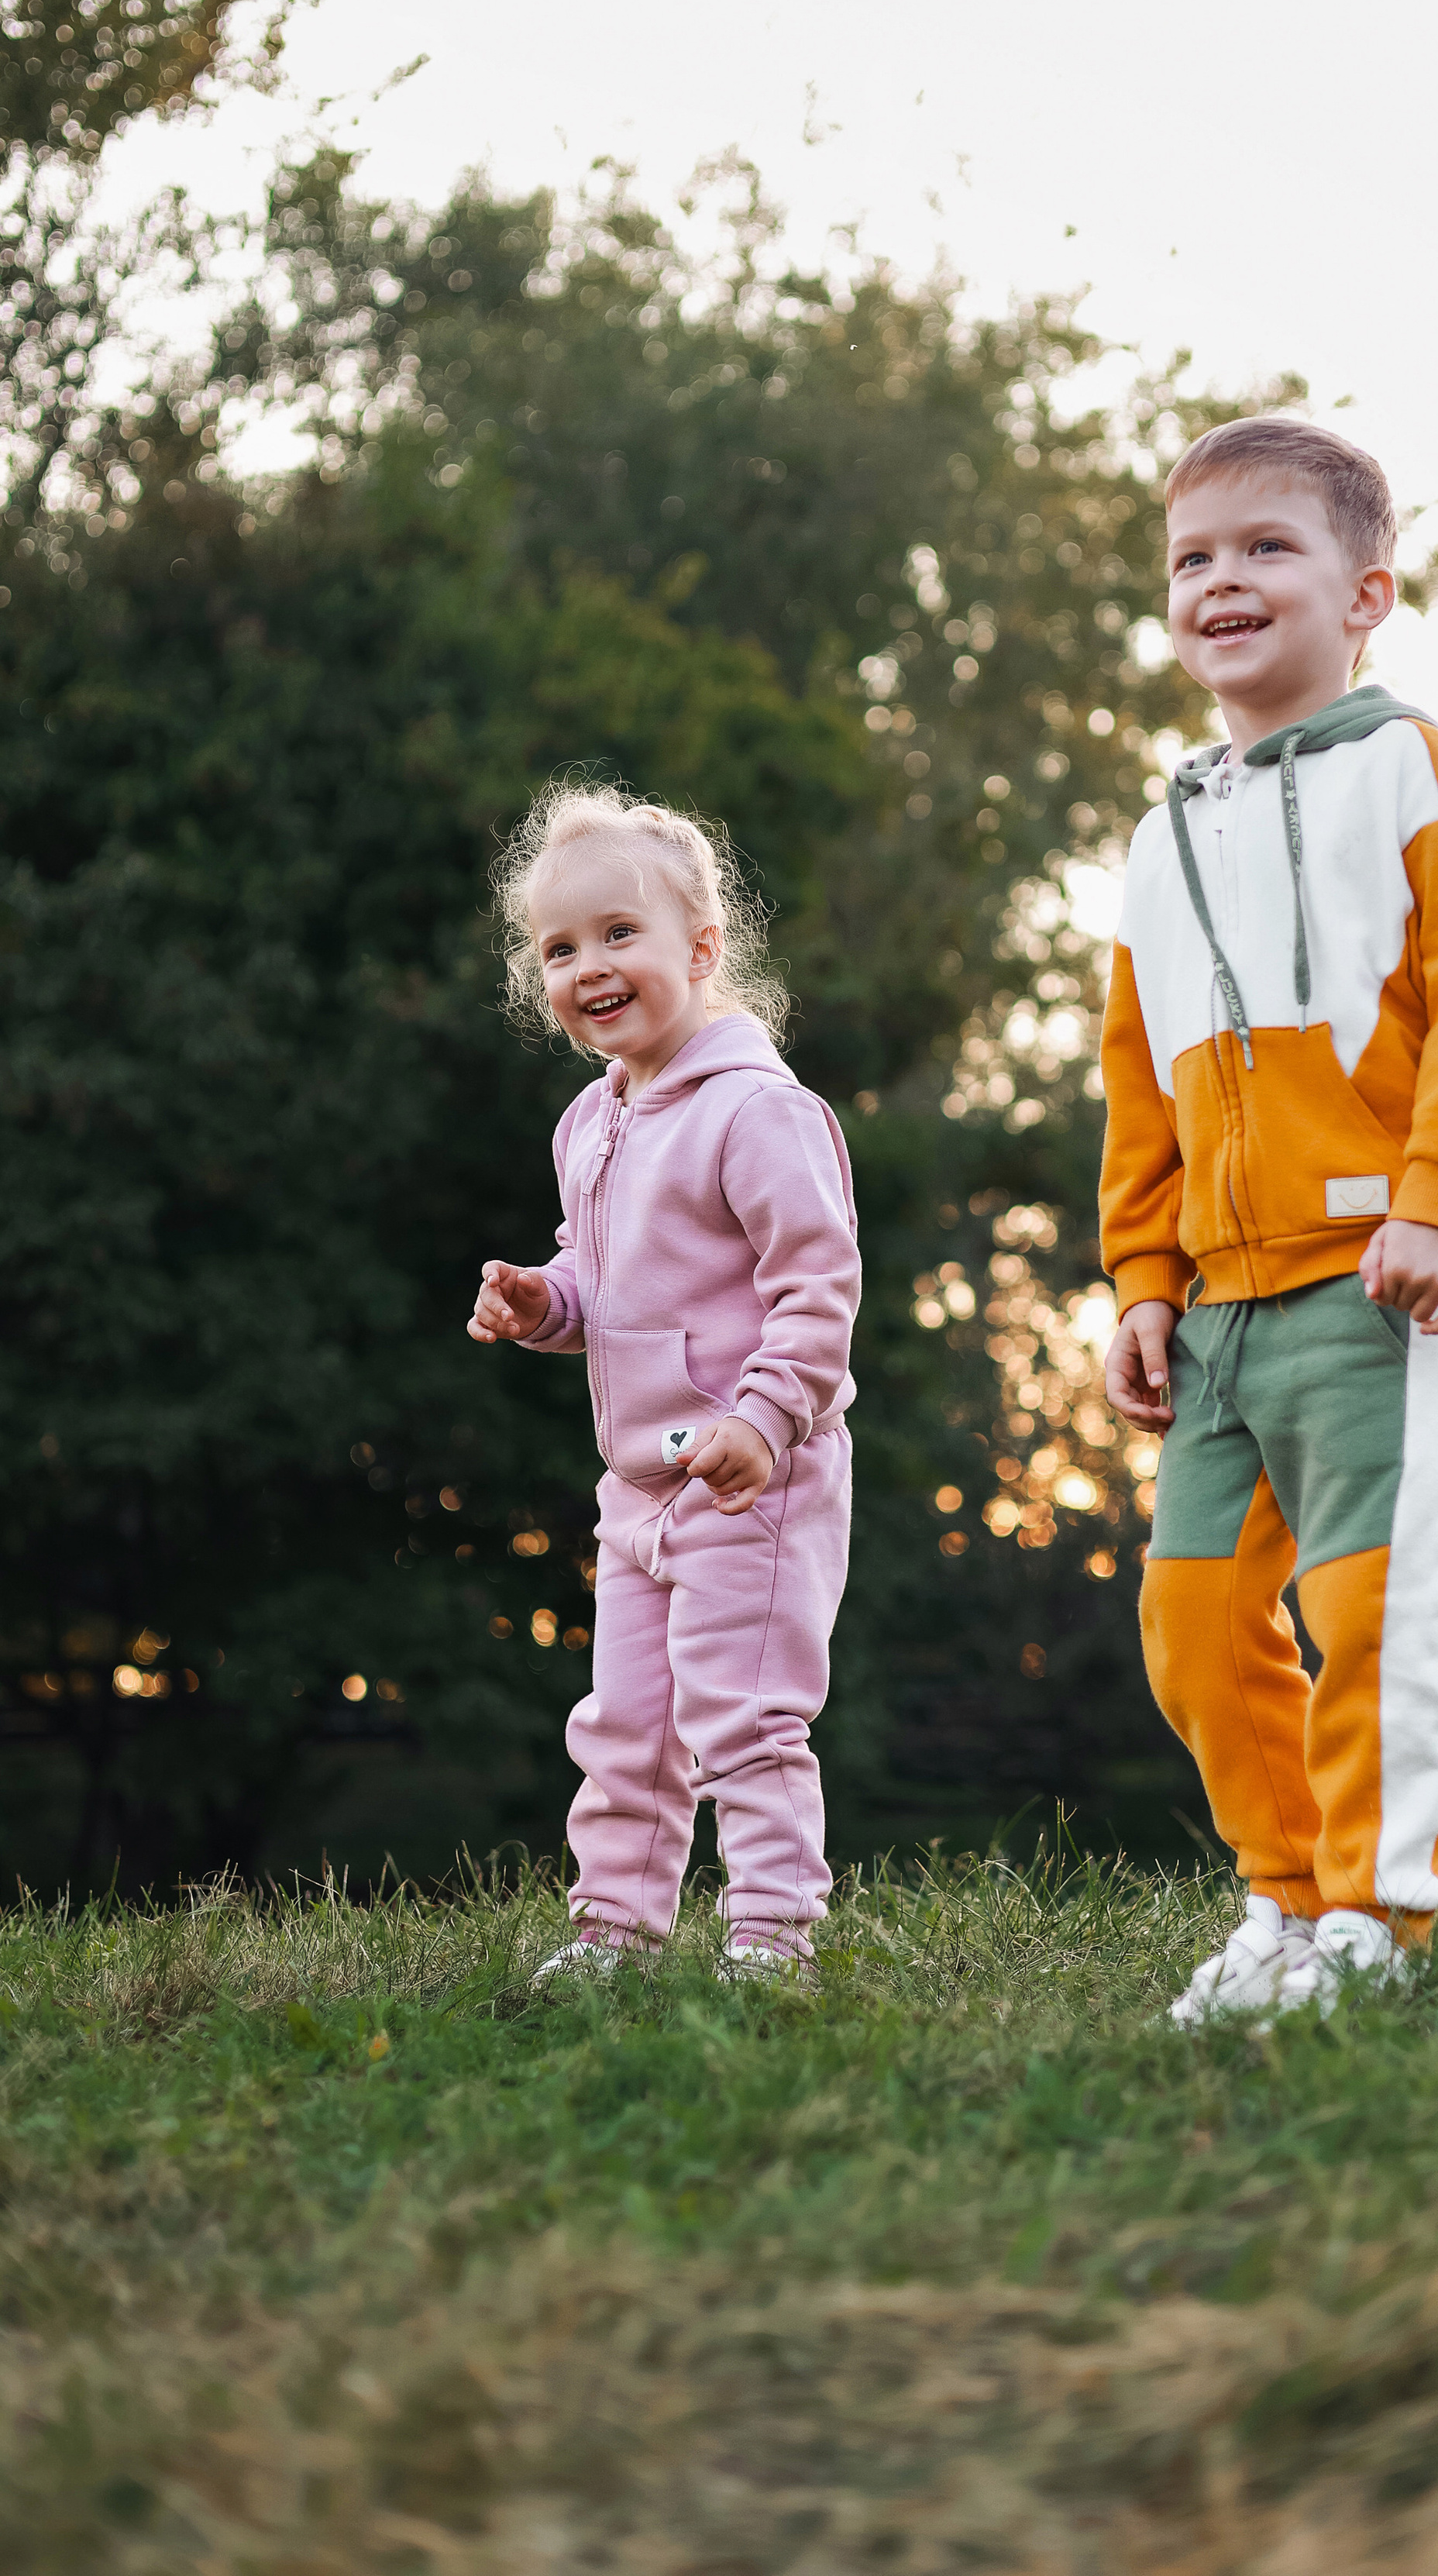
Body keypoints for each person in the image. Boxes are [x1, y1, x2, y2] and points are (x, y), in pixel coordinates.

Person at [1099, 415, 1438, 2020]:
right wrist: (1141, 1276)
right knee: (1192, 1619)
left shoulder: (1408, 767)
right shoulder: (1159, 834)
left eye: (1263, 548)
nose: (1220, 581)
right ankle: (1279, 1906)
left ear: (1364, 592)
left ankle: (1374, 1917)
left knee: (1368, 1606)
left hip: (1383, 1278)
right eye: (1190, 559)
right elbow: (1136, 1076)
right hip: (1215, 1306)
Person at [468, 780, 859, 1978]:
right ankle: (614, 1934)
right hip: (637, 1488)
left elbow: (818, 1286)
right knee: (626, 1728)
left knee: (741, 1716)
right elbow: (604, 1280)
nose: (589, 966)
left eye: (618, 935)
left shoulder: (759, 1113)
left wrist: (767, 1416)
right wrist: (547, 1301)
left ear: (701, 947)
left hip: (754, 1475)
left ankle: (774, 1936)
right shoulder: (589, 1124)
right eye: (559, 947)